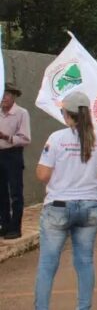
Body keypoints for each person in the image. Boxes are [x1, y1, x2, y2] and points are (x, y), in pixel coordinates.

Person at [34, 92, 97, 310]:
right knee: (85, 262)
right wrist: (88, 174)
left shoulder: (56, 138)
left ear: (66, 114)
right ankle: (84, 307)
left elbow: (42, 175)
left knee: (48, 264)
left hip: (58, 207)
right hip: (89, 206)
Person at [0, 82, 31, 239]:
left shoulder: (21, 113)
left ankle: (15, 227)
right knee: (1, 192)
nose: (3, 98)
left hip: (13, 154)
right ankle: (4, 225)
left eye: (7, 94)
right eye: (2, 94)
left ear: (13, 97)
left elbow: (25, 139)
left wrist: (6, 136)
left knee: (16, 192)